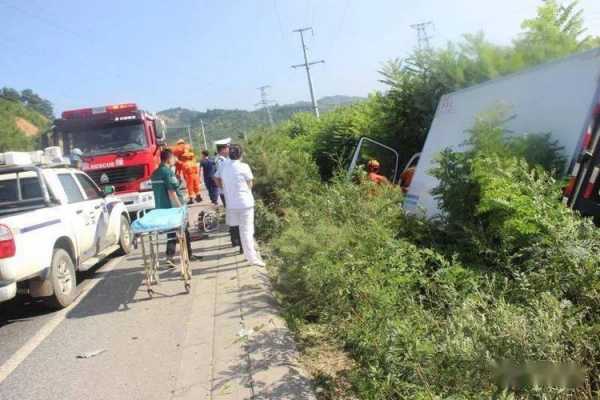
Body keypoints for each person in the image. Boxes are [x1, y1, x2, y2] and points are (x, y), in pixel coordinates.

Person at [216, 144, 264, 267]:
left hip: (231, 204)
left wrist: (225, 188)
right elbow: (250, 183)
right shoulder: (244, 166)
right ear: (241, 155)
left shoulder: (223, 166)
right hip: (245, 203)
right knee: (247, 231)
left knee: (240, 230)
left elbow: (216, 178)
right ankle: (252, 258)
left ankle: (248, 253)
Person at [151, 148, 201, 265]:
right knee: (184, 231)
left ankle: (169, 257)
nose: (175, 160)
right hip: (173, 207)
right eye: (174, 158)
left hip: (161, 207)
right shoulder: (167, 172)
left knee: (171, 233)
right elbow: (171, 191)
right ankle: (188, 255)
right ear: (168, 159)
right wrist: (180, 208)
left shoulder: (155, 173)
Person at [214, 143, 241, 249]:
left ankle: (236, 239)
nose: (229, 150)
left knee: (232, 214)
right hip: (226, 193)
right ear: (222, 150)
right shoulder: (221, 161)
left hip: (227, 193)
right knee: (232, 215)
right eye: (227, 148)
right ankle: (235, 240)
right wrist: (224, 188)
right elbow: (217, 177)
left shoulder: (223, 160)